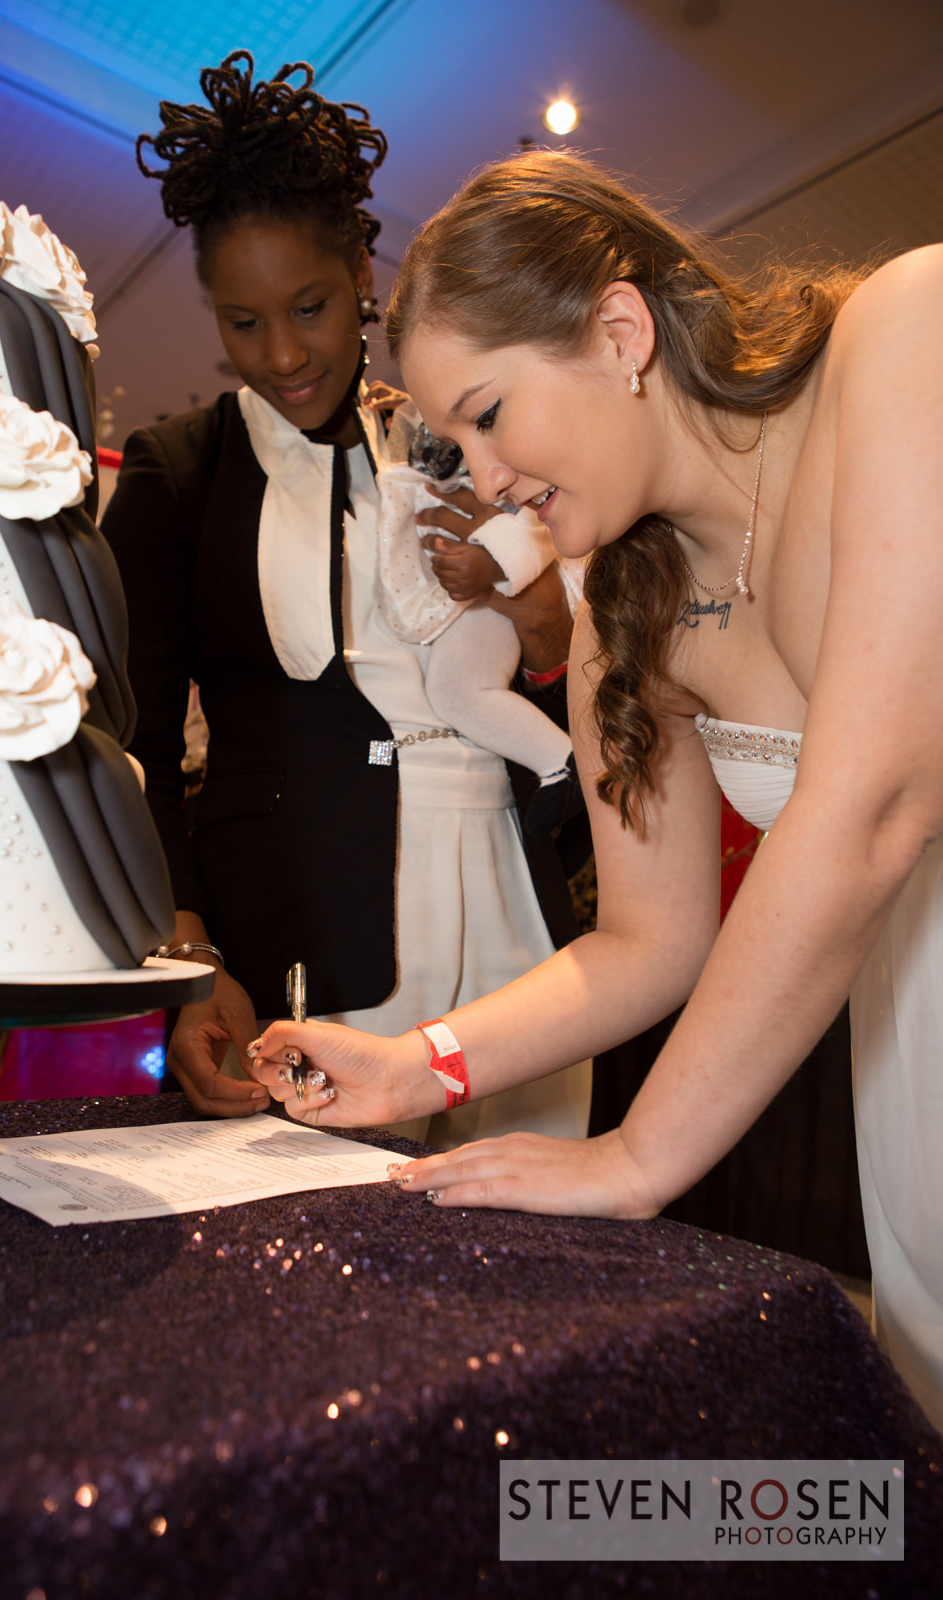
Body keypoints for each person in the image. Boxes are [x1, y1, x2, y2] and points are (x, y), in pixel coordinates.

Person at [248, 148, 943, 1433]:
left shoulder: (909, 332)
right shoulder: (622, 615)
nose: (483, 477)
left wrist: (635, 1156)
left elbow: (876, 805)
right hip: (917, 1071)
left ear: (617, 330)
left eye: (488, 413)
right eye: (453, 442)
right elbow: (644, 939)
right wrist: (418, 1066)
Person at [102, 59, 592, 1146]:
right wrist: (191, 957)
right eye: (242, 321)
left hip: (513, 898)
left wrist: (536, 611)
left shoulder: (460, 435)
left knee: (542, 1231)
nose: (282, 353)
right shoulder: (178, 472)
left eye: (311, 307)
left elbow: (568, 660)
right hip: (302, 929)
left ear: (363, 271)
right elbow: (130, 743)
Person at [374, 408, 585, 837]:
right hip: (394, 775)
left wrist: (494, 559)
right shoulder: (406, 423)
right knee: (457, 690)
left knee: (457, 691)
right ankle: (560, 765)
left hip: (502, 582)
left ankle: (561, 764)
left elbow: (539, 512)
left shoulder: (503, 436)